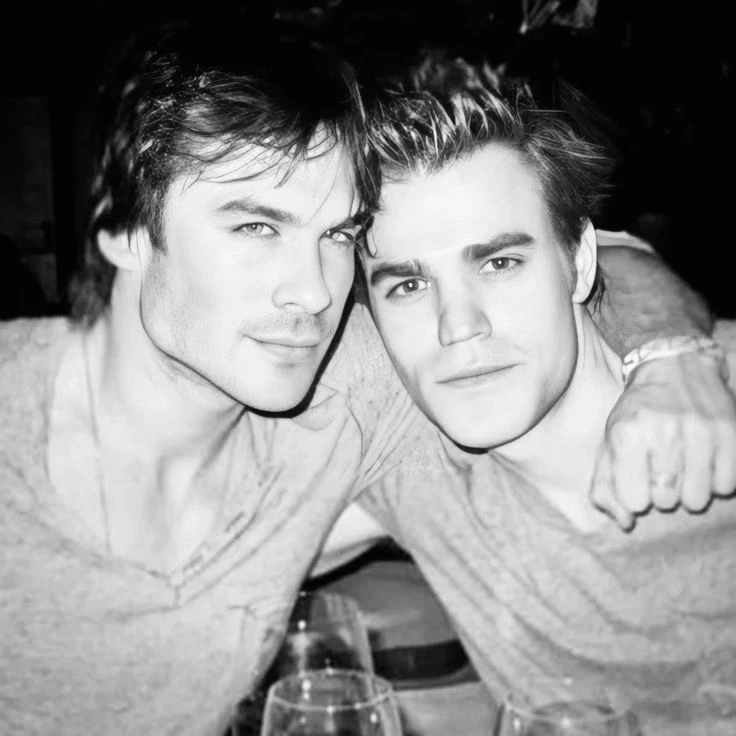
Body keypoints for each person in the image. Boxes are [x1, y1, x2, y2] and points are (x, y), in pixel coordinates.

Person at [0, 21, 731, 735]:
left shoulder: (393, 395)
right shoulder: (377, 407)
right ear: (127, 230)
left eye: (337, 237)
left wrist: (673, 358)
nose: (313, 291)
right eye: (256, 227)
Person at [344, 58, 736, 734]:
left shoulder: (717, 392)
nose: (458, 326)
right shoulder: (409, 463)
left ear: (579, 261)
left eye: (500, 263)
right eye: (407, 285)